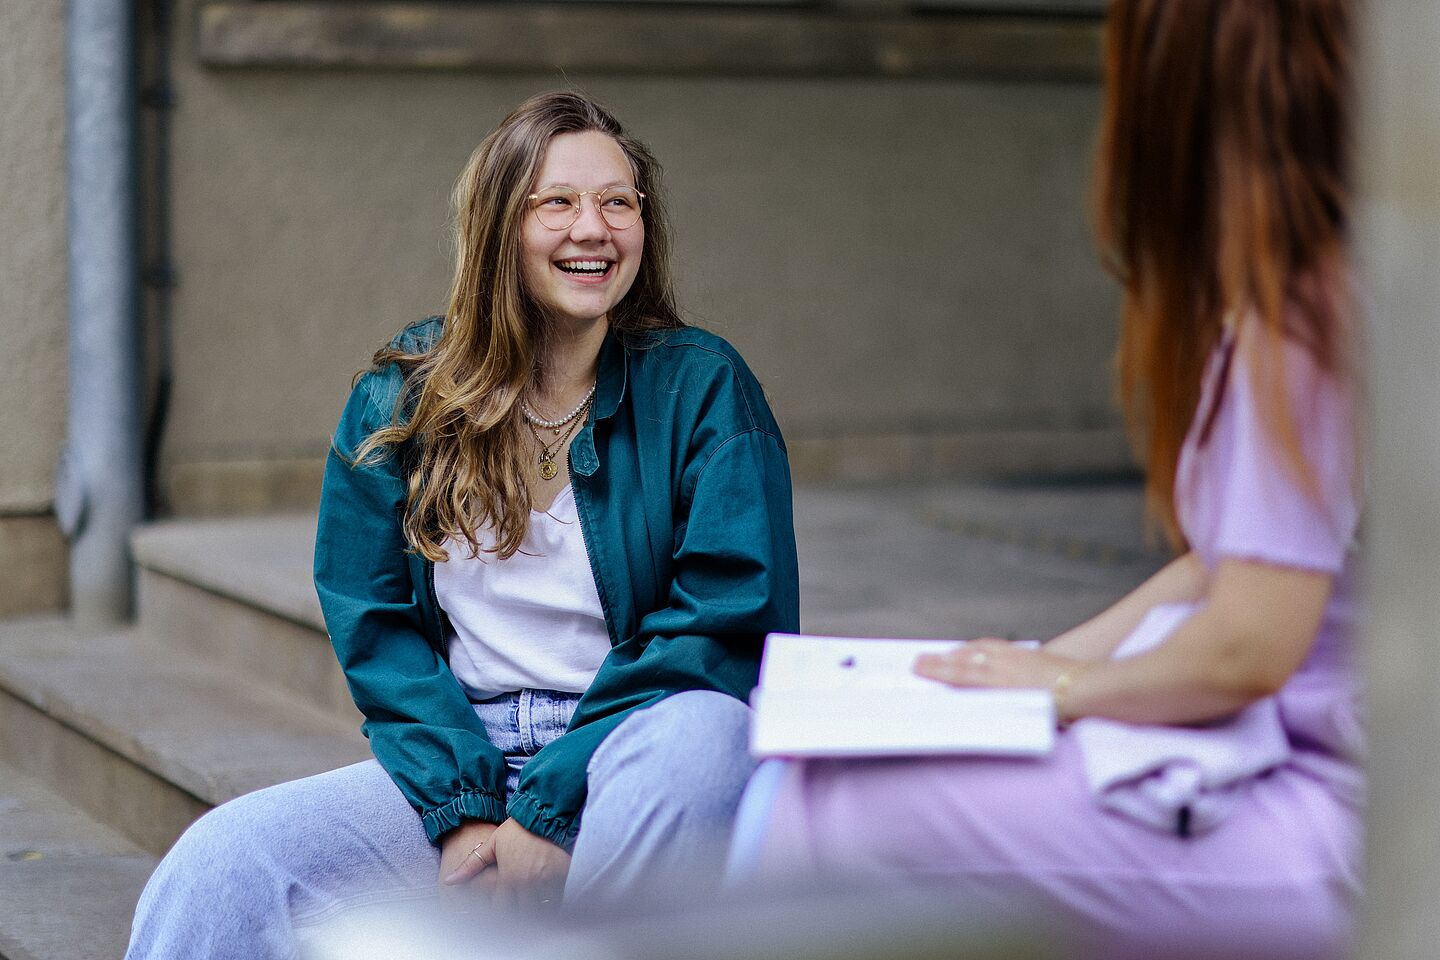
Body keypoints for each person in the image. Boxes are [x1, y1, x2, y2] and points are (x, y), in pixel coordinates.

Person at [730, 3, 1362, 958]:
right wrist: (1027, 671)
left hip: (1337, 823)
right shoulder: (1318, 285)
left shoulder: (1306, 313)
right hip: (1304, 770)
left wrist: (1056, 689)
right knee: (805, 771)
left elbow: (1245, 648)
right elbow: (1218, 571)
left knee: (827, 806)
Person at [127, 91, 799, 958]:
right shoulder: (404, 397)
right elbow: (374, 623)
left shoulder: (702, 387)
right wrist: (462, 811)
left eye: (618, 202)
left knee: (703, 736)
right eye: (556, 203)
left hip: (634, 749)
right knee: (224, 867)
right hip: (466, 758)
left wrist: (554, 809)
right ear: (498, 227)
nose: (592, 228)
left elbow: (726, 620)